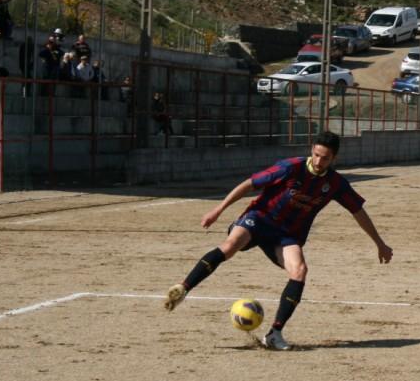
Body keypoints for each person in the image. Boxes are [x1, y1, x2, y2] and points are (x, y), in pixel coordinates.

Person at [164, 131, 394, 350]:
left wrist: (379, 243)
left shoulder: (335, 183)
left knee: (300, 271)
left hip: (288, 235)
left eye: (325, 158)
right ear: (311, 150)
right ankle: (183, 288)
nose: (319, 161)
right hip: (260, 219)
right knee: (230, 246)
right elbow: (249, 184)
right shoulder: (289, 167)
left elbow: (358, 212)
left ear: (334, 158)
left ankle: (274, 333)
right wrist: (218, 210)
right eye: (316, 154)